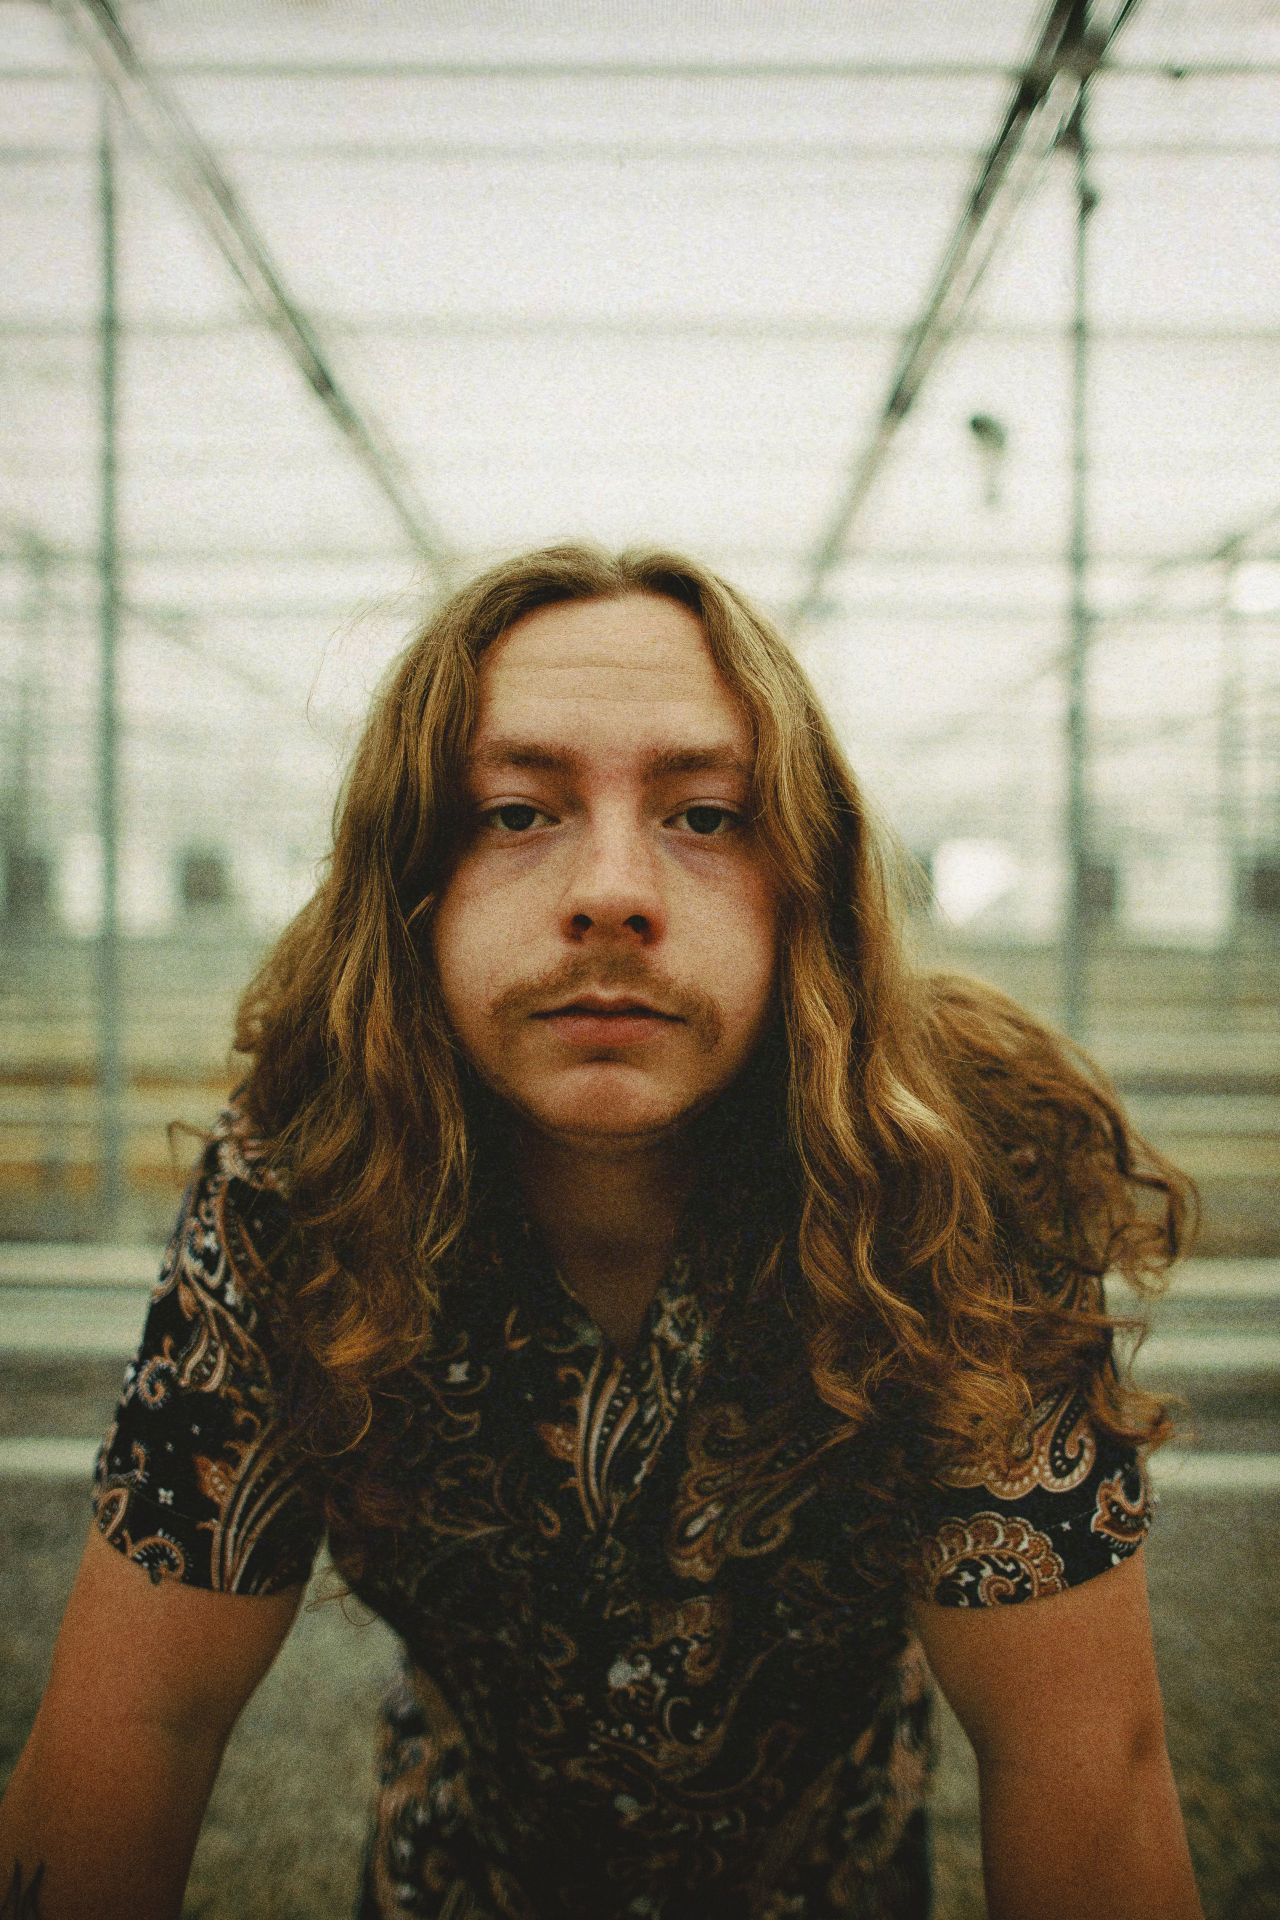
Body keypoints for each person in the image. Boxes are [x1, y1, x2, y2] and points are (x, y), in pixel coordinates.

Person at [0, 544, 1204, 1920]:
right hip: (466, 1870)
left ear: (805, 882)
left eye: (706, 816)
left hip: (837, 1871)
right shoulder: (303, 1190)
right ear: (415, 884)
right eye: (517, 812)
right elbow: (134, 1729)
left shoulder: (959, 1176)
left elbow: (1084, 1769)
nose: (613, 890)